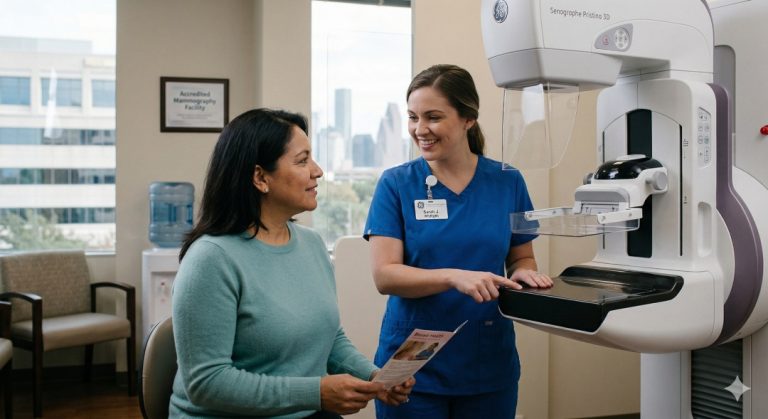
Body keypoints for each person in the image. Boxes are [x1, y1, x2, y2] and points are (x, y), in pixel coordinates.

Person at [170, 108, 414, 419]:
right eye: (302, 161)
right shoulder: (211, 259)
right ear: (260, 177)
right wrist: (316, 392)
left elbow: (330, 338)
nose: (318, 171)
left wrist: (374, 376)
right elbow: (206, 383)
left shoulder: (311, 244)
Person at [363, 64, 553, 419]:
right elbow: (385, 276)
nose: (420, 130)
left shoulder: (507, 181)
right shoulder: (396, 184)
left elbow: (522, 258)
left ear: (468, 119)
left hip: (486, 357)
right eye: (413, 117)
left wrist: (525, 273)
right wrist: (454, 276)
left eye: (433, 117)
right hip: (412, 364)